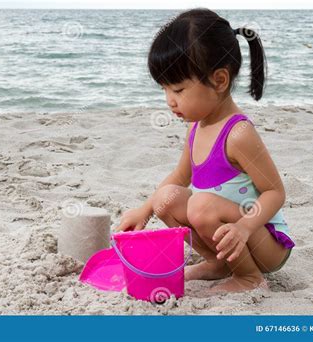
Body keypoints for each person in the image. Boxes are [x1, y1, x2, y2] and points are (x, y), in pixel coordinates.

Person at [115, 8, 295, 293]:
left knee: (200, 205)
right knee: (166, 197)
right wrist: (145, 210)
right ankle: (219, 263)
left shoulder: (238, 134)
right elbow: (179, 176)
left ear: (219, 80)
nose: (169, 101)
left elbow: (276, 193)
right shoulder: (196, 128)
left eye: (178, 89)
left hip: (264, 241)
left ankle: (249, 277)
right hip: (230, 235)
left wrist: (245, 227)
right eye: (164, 90)